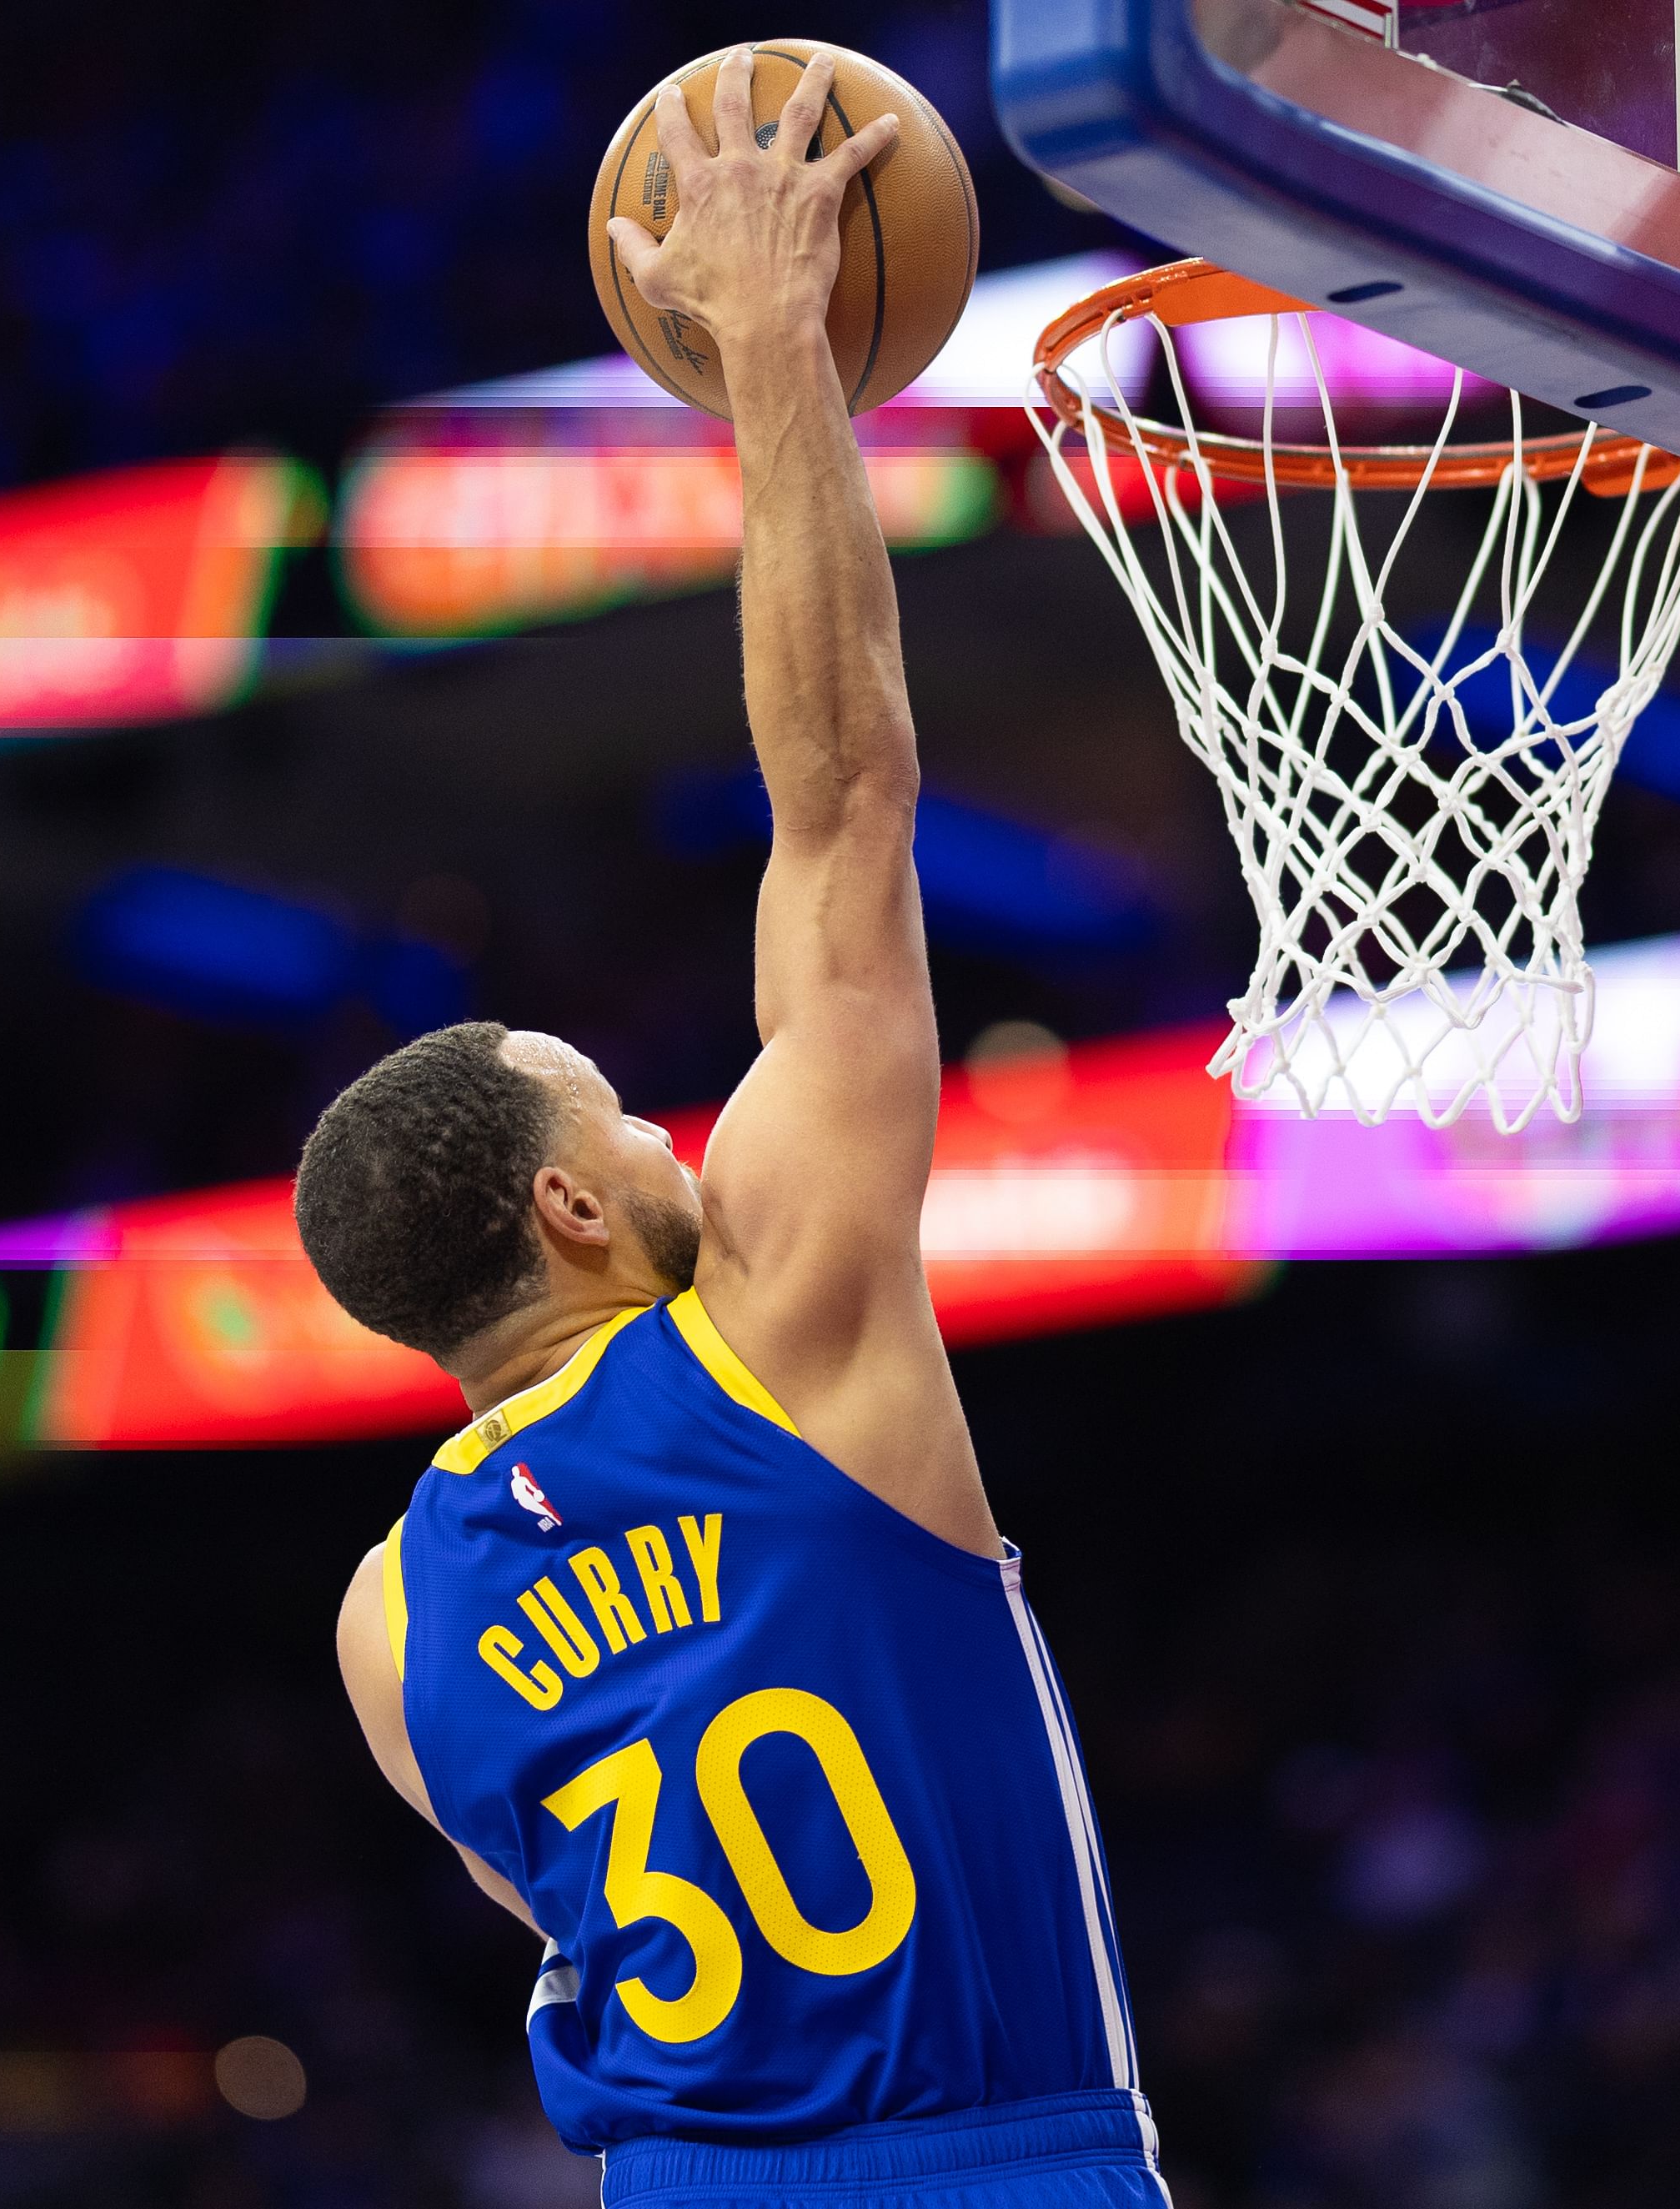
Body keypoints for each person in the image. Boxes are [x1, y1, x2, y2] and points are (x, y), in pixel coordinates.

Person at [299, 47, 1163, 2205]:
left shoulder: (390, 1627)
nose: (690, 1133)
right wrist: (782, 358)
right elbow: (842, 792)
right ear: (575, 1203)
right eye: (627, 1112)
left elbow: (572, 1899)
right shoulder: (772, 1325)